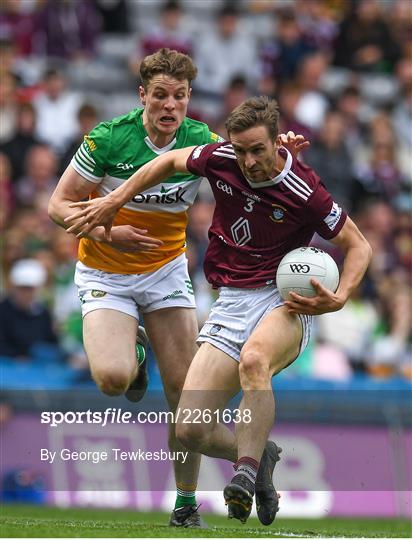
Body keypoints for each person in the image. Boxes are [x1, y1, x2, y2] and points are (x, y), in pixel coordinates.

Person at [64, 96, 372, 525]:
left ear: (275, 144)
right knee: (190, 429)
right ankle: (261, 457)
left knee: (255, 360)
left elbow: (358, 245)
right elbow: (167, 162)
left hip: (282, 299)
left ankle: (243, 476)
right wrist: (117, 199)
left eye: (257, 150)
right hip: (231, 301)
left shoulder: (303, 188)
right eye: (240, 149)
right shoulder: (221, 157)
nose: (246, 160)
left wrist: (340, 297)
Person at [48, 48, 307, 528]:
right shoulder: (107, 139)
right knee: (112, 379)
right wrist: (107, 232)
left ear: (188, 99)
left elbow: (253, 165)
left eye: (180, 97)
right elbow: (59, 206)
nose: (171, 106)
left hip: (166, 274)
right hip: (106, 272)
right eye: (161, 95)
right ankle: (138, 351)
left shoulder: (199, 140)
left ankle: (186, 504)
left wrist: (281, 147)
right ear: (143, 95)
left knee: (181, 396)